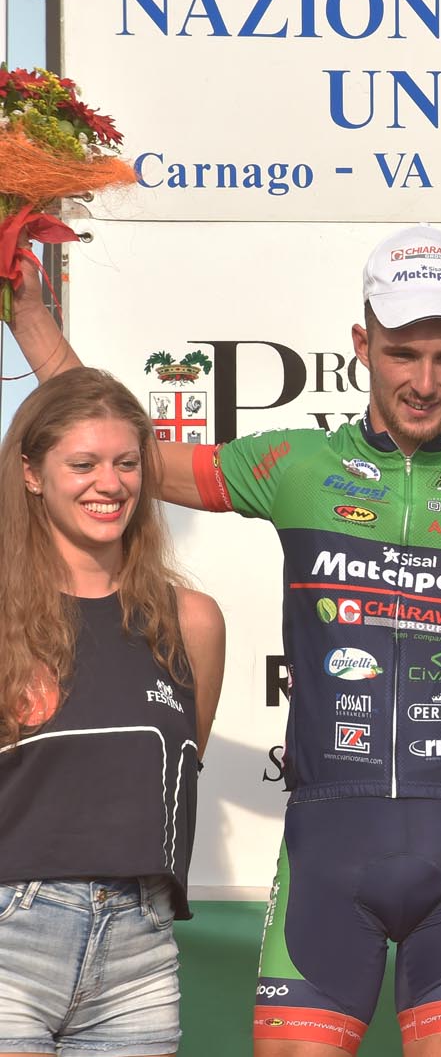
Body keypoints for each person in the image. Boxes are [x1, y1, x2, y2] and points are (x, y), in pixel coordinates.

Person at [5, 227, 441, 1057]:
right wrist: (34, 322)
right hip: (328, 842)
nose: (423, 380)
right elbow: (123, 450)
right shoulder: (295, 464)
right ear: (363, 343)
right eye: (402, 353)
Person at [0, 367, 225, 1057]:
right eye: (83, 464)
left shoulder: (192, 621)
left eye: (127, 462)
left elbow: (179, 771)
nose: (111, 482)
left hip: (140, 955)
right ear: (32, 473)